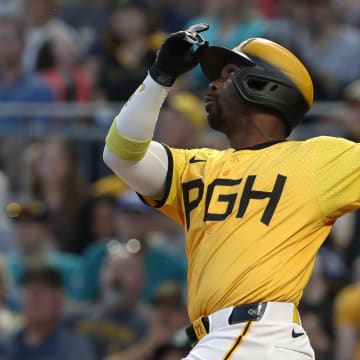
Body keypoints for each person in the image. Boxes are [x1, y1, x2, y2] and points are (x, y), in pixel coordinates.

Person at [102, 22, 360, 359]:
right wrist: (160, 75)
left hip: (254, 334)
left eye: (227, 74)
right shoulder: (195, 166)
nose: (212, 83)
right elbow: (120, 154)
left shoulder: (318, 159)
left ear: (264, 85)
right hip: (231, 340)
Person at [4, 265, 95, 360]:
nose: (34, 298)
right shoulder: (5, 345)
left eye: (42, 291)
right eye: (29, 290)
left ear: (59, 300)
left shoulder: (73, 350)